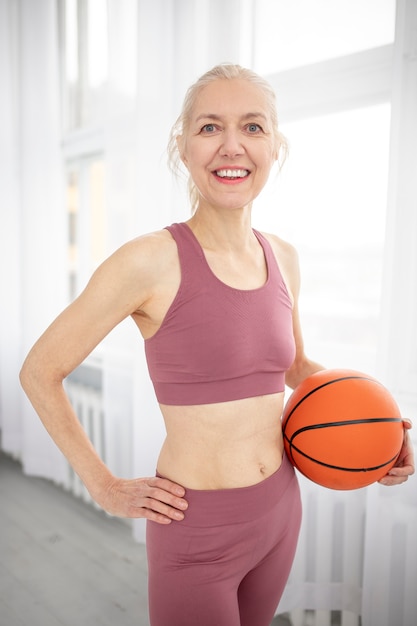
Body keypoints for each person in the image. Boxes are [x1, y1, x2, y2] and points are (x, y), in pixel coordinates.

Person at [20, 64, 414, 626]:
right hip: (195, 528)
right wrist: (103, 486)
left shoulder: (283, 256)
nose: (232, 145)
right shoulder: (148, 260)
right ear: (183, 145)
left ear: (276, 144)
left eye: (253, 127)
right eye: (210, 127)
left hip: (280, 509)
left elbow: (296, 367)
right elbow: (40, 370)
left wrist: (379, 430)